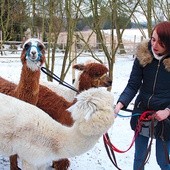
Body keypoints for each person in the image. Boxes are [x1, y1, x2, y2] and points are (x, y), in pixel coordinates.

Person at [114, 21, 170, 170]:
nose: (155, 44)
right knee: (139, 157)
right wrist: (120, 104)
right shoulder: (143, 56)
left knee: (163, 161)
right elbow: (133, 84)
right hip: (142, 112)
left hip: (165, 118)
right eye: (153, 39)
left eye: (161, 42)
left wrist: (167, 111)